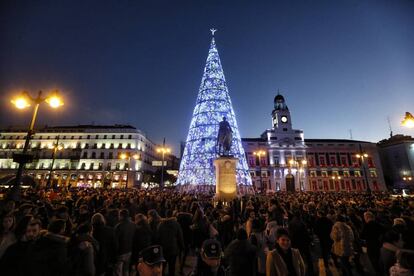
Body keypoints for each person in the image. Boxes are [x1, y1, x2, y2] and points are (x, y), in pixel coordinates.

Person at [156, 209, 184, 276]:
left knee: (163, 266)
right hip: (173, 248)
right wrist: (182, 246)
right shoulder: (176, 224)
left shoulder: (161, 224)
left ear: (166, 215)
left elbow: (157, 237)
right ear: (172, 215)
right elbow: (180, 236)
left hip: (163, 248)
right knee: (172, 267)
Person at [114, 209, 137, 276]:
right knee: (126, 270)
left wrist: (115, 252)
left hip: (121, 252)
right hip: (129, 250)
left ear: (121, 216)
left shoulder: (119, 226)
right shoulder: (133, 224)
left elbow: (116, 241)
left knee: (119, 271)